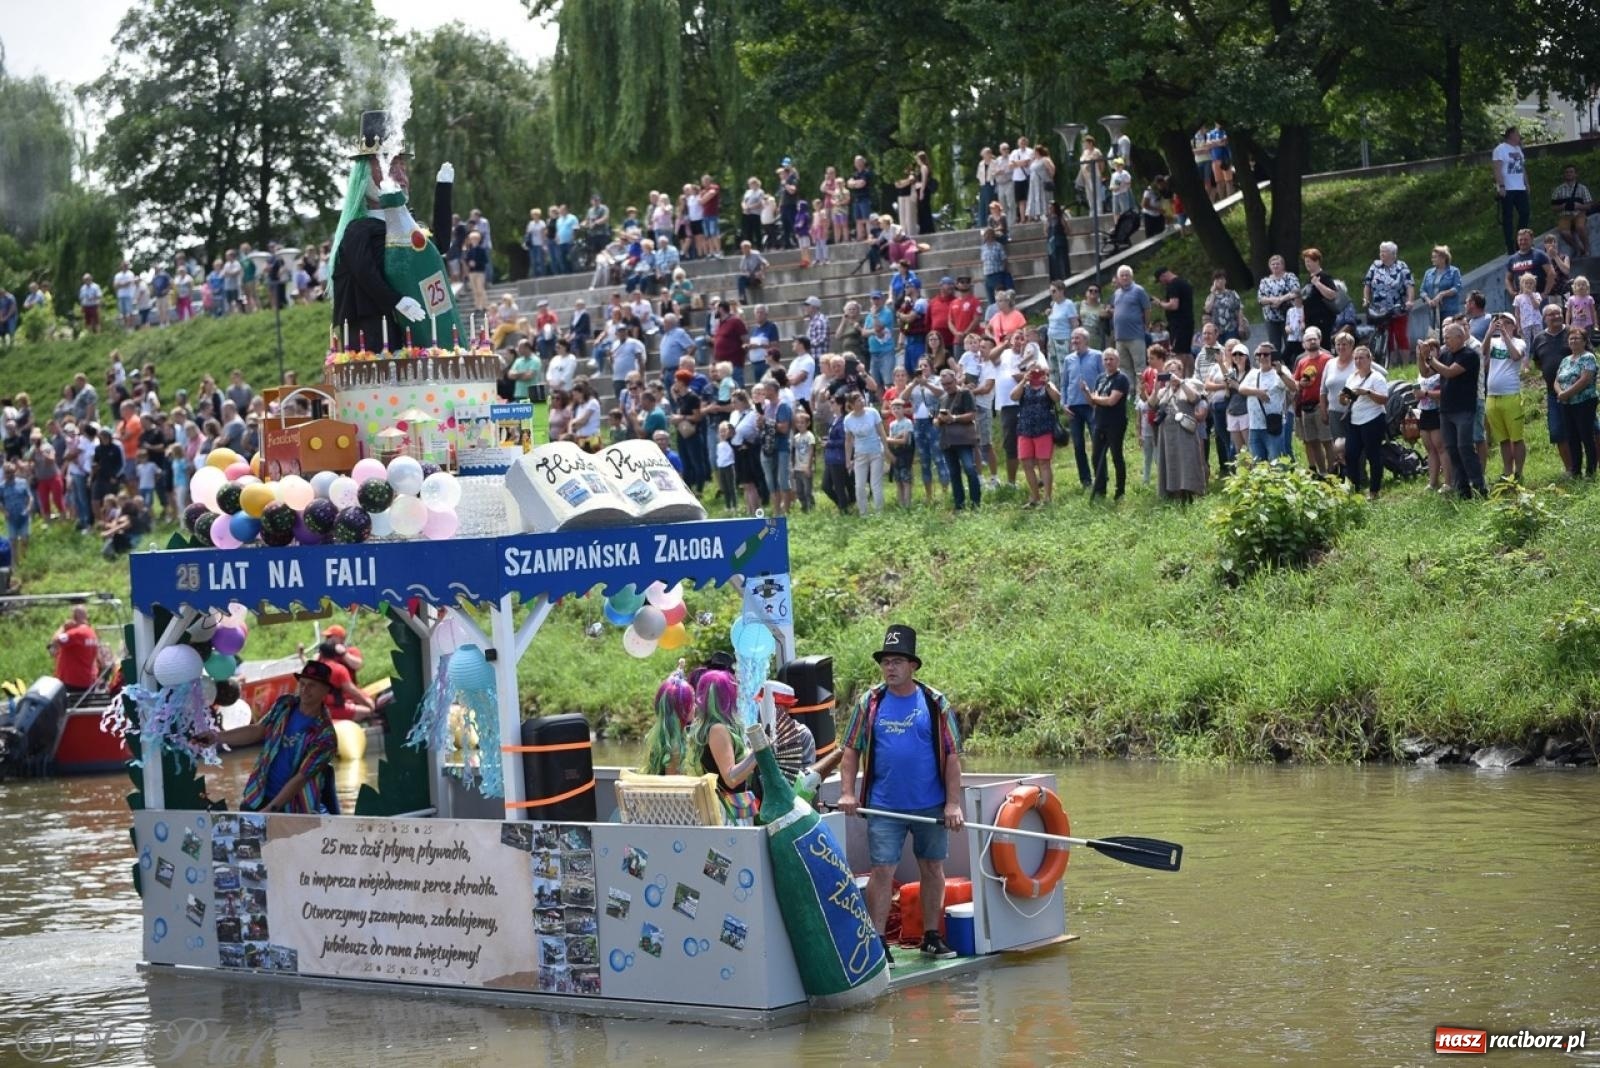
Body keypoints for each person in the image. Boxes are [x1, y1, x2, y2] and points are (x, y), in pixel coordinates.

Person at [837, 624, 964, 963]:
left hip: (931, 806)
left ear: (913, 666)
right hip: (884, 807)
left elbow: (952, 756)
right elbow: (850, 750)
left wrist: (953, 804)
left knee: (933, 868)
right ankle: (877, 944)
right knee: (883, 871)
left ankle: (931, 937)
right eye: (885, 662)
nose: (889, 668)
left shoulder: (935, 703)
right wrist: (848, 793)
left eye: (897, 661)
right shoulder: (871, 702)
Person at [198, 661, 341, 814]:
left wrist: (270, 810)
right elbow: (258, 730)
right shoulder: (284, 704)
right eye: (303, 683)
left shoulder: (326, 735)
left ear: (326, 690)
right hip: (257, 795)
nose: (305, 689)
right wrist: (216, 737)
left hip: (293, 809)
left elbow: (301, 778)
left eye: (312, 685)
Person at [1426, 323, 1488, 498]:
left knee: (1465, 447)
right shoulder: (1445, 354)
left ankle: (1479, 485)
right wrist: (1421, 356)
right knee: (1452, 448)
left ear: (1460, 338)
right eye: (1444, 337)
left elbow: (1449, 372)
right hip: (1446, 410)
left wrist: (1431, 359)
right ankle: (1463, 490)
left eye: (1447, 337)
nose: (1445, 341)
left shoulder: (1469, 355)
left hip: (1464, 409)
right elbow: (1425, 373)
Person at [1482, 314, 1529, 482]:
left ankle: (1519, 472)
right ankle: (1507, 471)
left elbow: (1516, 356)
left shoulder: (1519, 342)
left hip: (1511, 395)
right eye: (1500, 322)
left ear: (1513, 326)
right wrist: (1490, 331)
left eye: (1507, 322)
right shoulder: (1493, 342)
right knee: (1502, 439)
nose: (1503, 324)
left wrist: (1506, 335)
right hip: (1492, 397)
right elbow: (1483, 350)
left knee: (1516, 437)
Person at [1153, 357, 1207, 501]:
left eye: (1174, 371)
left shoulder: (1189, 385)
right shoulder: (1164, 391)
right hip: (1167, 433)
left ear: (1181, 371)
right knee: (1170, 461)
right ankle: (1172, 493)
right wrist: (1155, 388)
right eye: (1168, 372)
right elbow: (1152, 404)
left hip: (1184, 433)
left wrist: (1181, 382)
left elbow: (1195, 399)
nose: (1171, 374)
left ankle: (1190, 492)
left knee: (1188, 460)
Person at [1341, 346, 1390, 500]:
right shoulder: (1352, 377)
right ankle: (1355, 490)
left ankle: (1374, 491)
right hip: (1355, 421)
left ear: (1370, 360)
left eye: (1362, 358)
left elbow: (1383, 399)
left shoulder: (1377, 377)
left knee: (1373, 454)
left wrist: (1367, 392)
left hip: (1373, 419)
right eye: (1355, 358)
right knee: (1350, 454)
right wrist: (1342, 398)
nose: (1358, 361)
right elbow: (1346, 400)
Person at [1083, 349, 1130, 500]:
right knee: (1096, 457)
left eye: (1111, 359)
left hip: (1115, 423)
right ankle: (1100, 489)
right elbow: (1092, 401)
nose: (1108, 362)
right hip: (1099, 422)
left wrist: (1097, 398)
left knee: (1116, 456)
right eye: (1106, 360)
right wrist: (1086, 392)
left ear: (1117, 361)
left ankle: (1120, 491)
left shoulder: (1121, 379)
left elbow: (1111, 401)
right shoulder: (1100, 378)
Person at [1554, 326, 1599, 478]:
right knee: (1572, 437)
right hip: (1567, 404)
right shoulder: (1565, 360)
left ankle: (1591, 471)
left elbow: (1585, 379)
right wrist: (1560, 393)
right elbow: (1557, 380)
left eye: (1577, 338)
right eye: (1571, 338)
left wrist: (1566, 393)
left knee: (1586, 436)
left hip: (1584, 402)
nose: (1573, 341)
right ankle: (1576, 471)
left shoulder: (1588, 357)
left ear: (1585, 341)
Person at [1492, 126, 1529, 255]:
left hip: (1520, 187)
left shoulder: (1518, 149)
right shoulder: (1500, 149)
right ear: (1511, 135)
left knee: (1525, 213)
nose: (1519, 137)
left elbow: (1522, 167)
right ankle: (1510, 246)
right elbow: (1497, 169)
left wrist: (1527, 183)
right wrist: (1500, 186)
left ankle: (1519, 242)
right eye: (1518, 134)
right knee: (1508, 217)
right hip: (1507, 188)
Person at [49, 606, 103, 693]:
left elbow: (55, 640)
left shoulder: (76, 633)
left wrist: (63, 627)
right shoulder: (92, 633)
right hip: (88, 680)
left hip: (72, 682)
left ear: (73, 618)